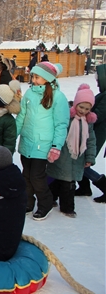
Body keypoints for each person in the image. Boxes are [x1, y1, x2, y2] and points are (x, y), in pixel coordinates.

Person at [16, 62, 69, 220]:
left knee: (37, 177)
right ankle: (28, 203)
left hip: (43, 144)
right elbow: (21, 117)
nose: (33, 79)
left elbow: (61, 124)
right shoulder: (29, 94)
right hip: (27, 142)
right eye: (33, 76)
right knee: (26, 175)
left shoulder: (58, 97)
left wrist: (56, 146)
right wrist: (13, 136)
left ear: (47, 78)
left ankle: (45, 204)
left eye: (37, 77)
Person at [47, 84, 97, 218]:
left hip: (77, 158)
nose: (83, 111)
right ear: (76, 104)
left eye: (87, 108)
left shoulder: (88, 122)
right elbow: (57, 133)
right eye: (81, 107)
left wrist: (90, 157)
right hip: (63, 155)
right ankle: (62, 205)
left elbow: (91, 141)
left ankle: (60, 203)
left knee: (67, 182)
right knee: (62, 181)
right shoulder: (66, 118)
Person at [75, 64, 106, 203]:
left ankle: (103, 185)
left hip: (95, 134)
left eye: (99, 78)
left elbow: (99, 115)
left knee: (82, 162)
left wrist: (83, 112)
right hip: (91, 132)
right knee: (80, 160)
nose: (97, 81)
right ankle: (84, 187)